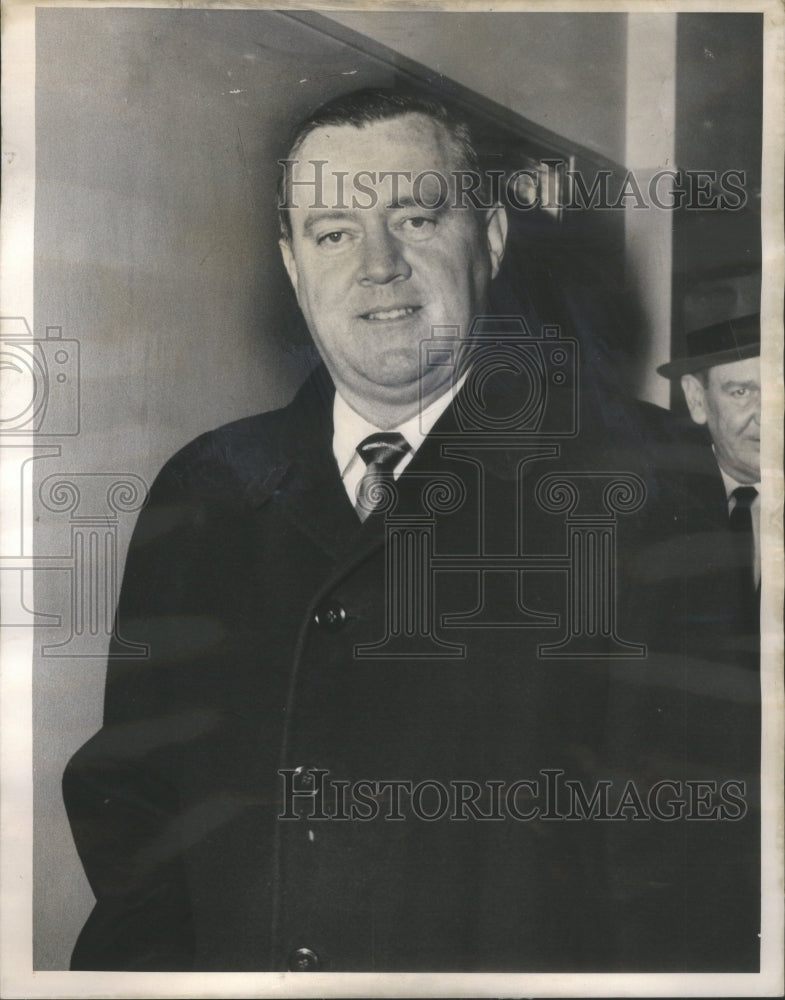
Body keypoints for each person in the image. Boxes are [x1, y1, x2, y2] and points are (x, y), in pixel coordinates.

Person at [63, 89, 760, 973]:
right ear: (291, 263)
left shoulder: (644, 476)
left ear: (492, 238)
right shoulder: (203, 488)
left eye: (417, 217)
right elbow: (135, 825)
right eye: (333, 233)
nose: (378, 266)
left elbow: (687, 873)